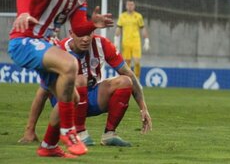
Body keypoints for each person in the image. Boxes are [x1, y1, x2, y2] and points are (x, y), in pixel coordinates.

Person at [8, 0, 113, 158]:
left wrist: (93, 24)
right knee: (70, 65)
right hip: (25, 41)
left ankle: (48, 146)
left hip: (45, 43)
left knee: (72, 98)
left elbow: (77, 28)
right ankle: (69, 131)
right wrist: (23, 13)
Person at [18, 31, 153, 146]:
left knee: (125, 81)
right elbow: (43, 92)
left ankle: (109, 134)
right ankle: (79, 132)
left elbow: (129, 73)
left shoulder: (102, 44)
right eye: (81, 34)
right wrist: (29, 130)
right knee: (79, 79)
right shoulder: (59, 49)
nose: (86, 38)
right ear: (71, 33)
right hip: (65, 101)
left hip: (92, 96)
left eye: (89, 34)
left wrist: (143, 108)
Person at [114, 0, 150, 78]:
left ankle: (137, 79)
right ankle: (128, 80)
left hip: (136, 42)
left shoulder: (138, 16)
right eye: (128, 5)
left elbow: (142, 28)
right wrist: (116, 41)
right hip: (126, 42)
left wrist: (146, 40)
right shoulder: (122, 16)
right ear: (126, 6)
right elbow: (118, 28)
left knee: (137, 62)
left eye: (132, 5)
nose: (130, 6)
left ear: (134, 6)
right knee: (127, 63)